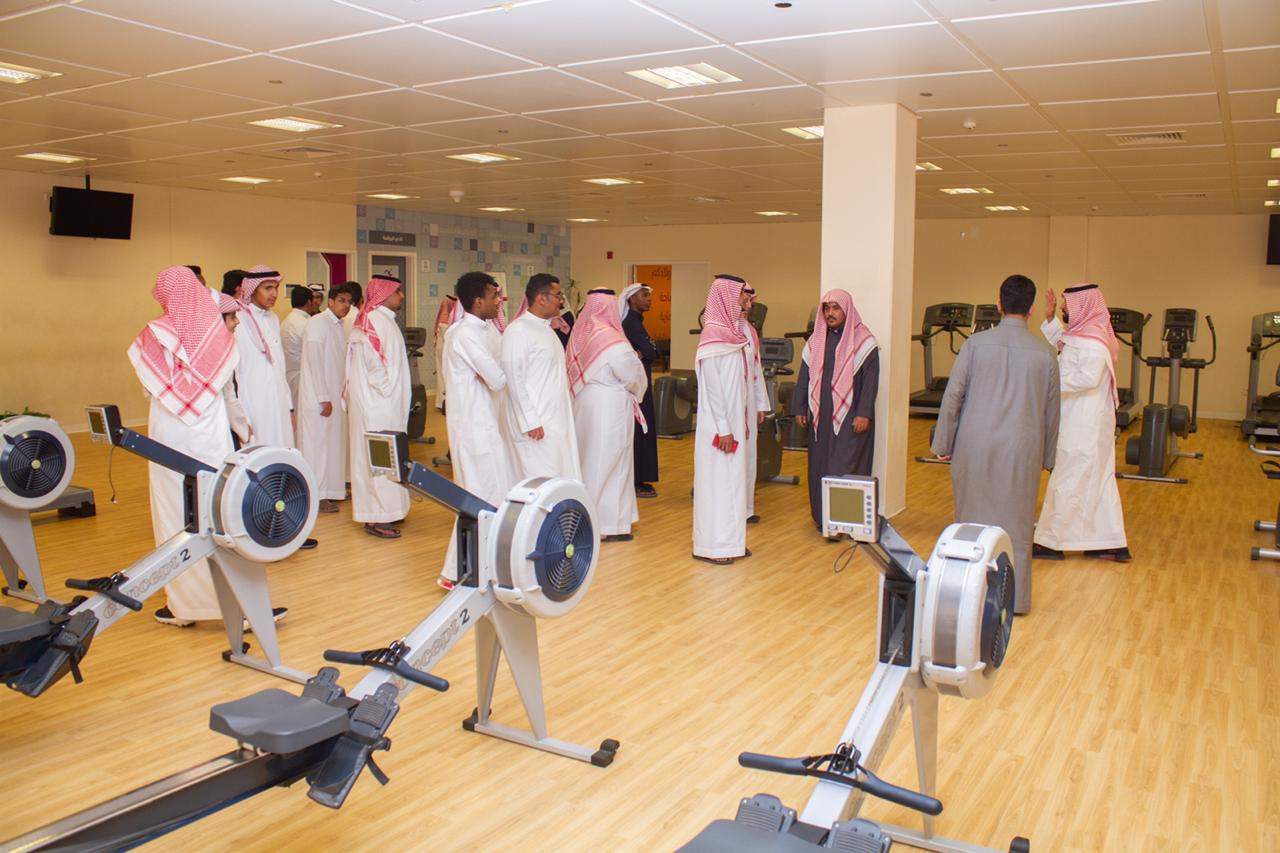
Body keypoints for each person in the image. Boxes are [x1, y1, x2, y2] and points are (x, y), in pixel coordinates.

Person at [128, 266, 285, 627]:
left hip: (165, 439)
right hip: (208, 439)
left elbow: (149, 389)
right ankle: (241, 609)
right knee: (219, 519)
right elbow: (228, 394)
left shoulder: (153, 334)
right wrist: (242, 428)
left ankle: (183, 607)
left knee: (174, 519)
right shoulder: (218, 339)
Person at [931, 274, 1060, 615]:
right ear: (1032, 309)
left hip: (973, 445)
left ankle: (967, 597)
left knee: (970, 523)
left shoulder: (975, 344)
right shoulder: (1046, 354)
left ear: (999, 304)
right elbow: (1052, 411)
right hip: (1022, 449)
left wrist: (943, 441)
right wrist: (1048, 457)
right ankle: (1013, 602)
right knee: (1017, 527)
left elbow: (953, 395)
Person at [1033, 284, 1131, 562]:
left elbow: (1087, 377)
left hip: (1083, 423)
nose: (1065, 308)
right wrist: (1050, 317)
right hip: (1085, 419)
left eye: (1067, 304)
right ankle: (1108, 541)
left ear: (1083, 306)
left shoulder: (1093, 342)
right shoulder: (1088, 335)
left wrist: (1050, 383)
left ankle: (1051, 541)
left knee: (1068, 476)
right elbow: (1066, 345)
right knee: (1096, 481)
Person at [439, 272, 514, 588]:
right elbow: (497, 379)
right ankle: (455, 572)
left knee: (492, 495)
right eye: (494, 296)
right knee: (477, 499)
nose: (499, 302)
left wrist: (492, 375)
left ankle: (480, 568)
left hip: (484, 424)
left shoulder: (481, 331)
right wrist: (493, 375)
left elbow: (493, 376)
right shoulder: (464, 334)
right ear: (478, 301)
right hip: (471, 428)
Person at [790, 289, 880, 532]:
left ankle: (847, 522)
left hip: (851, 417)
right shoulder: (816, 341)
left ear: (847, 310)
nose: (830, 313)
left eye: (835, 308)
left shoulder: (864, 342)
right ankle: (824, 519)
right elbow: (804, 377)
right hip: (821, 419)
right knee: (821, 467)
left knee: (846, 467)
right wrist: (799, 407)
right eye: (826, 308)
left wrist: (864, 414)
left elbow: (871, 382)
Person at [568, 289, 647, 542]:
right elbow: (632, 375)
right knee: (610, 463)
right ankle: (602, 524)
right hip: (610, 407)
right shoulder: (612, 339)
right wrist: (639, 390)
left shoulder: (580, 335)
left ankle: (605, 522)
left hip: (584, 403)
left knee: (590, 460)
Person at [692, 275, 755, 565]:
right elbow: (713, 388)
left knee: (733, 484)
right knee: (717, 484)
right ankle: (712, 546)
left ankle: (732, 542)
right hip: (719, 427)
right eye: (742, 296)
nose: (747, 302)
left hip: (733, 423)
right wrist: (724, 428)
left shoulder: (734, 334)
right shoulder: (712, 335)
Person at [347, 275, 412, 539]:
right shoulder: (372, 321)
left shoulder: (384, 320)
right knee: (378, 459)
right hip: (376, 405)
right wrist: (388, 396)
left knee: (388, 458)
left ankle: (390, 509)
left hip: (384, 404)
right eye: (398, 292)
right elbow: (375, 366)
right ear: (385, 294)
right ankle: (376, 516)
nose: (402, 296)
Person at [501, 275, 581, 482]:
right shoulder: (518, 330)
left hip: (554, 419)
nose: (561, 301)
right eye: (558, 295)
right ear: (541, 298)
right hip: (536, 424)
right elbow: (513, 379)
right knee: (539, 481)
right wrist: (530, 420)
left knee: (558, 478)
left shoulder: (547, 329)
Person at [298, 284, 354, 514]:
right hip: (319, 398)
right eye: (342, 301)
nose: (346, 306)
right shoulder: (318, 323)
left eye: (349, 302)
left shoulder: (338, 325)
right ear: (330, 301)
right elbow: (314, 360)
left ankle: (332, 490)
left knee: (332, 444)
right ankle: (317, 494)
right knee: (317, 447)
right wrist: (323, 396)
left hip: (332, 396)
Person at [619, 283, 660, 499]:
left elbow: (653, 351)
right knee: (639, 432)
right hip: (636, 388)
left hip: (642, 384)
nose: (649, 300)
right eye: (644, 296)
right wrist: (647, 351)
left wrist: (648, 350)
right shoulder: (630, 324)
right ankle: (636, 480)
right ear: (632, 299)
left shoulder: (638, 323)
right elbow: (650, 352)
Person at [738, 284, 773, 524]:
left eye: (752, 301)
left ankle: (747, 508)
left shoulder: (749, 330)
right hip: (729, 404)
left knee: (749, 455)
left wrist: (760, 403)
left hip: (748, 401)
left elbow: (756, 369)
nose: (750, 306)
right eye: (746, 300)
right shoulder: (719, 331)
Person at [281, 285, 313, 416]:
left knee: (292, 412)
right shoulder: (307, 323)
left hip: (288, 374)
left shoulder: (284, 321)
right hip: (303, 374)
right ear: (309, 302)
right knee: (304, 414)